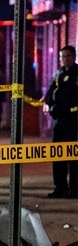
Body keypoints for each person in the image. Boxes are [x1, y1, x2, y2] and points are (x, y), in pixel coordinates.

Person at [43, 45, 78, 199]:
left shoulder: (76, 73)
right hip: (59, 120)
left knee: (72, 155)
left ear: (74, 57)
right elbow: (50, 93)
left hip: (73, 119)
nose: (65, 59)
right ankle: (60, 187)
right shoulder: (59, 73)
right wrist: (51, 105)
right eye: (62, 56)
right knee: (57, 154)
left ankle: (75, 188)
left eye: (68, 56)